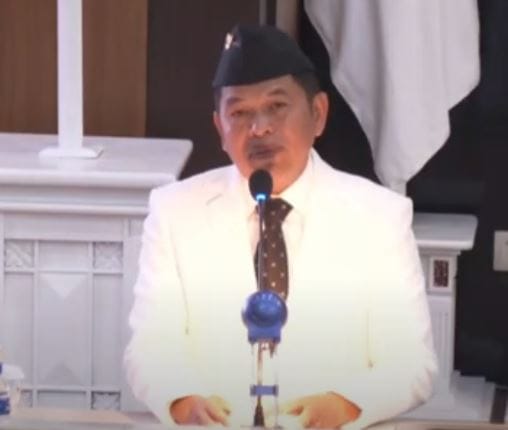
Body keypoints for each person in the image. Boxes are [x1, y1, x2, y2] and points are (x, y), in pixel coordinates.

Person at [124, 24, 437, 429]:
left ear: (318, 114)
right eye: (239, 113)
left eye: (276, 106)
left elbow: (411, 362)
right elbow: (149, 348)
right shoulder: (175, 211)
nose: (259, 128)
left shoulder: (380, 217)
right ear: (220, 129)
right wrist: (184, 401)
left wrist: (343, 406)